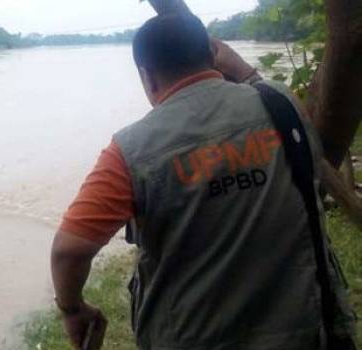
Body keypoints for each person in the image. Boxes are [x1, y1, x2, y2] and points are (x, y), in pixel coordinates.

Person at [51, 14, 357, 350]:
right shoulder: (281, 106)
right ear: (213, 55)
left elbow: (69, 251)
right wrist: (244, 71)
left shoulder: (131, 150)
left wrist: (72, 309)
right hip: (303, 329)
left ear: (147, 77)